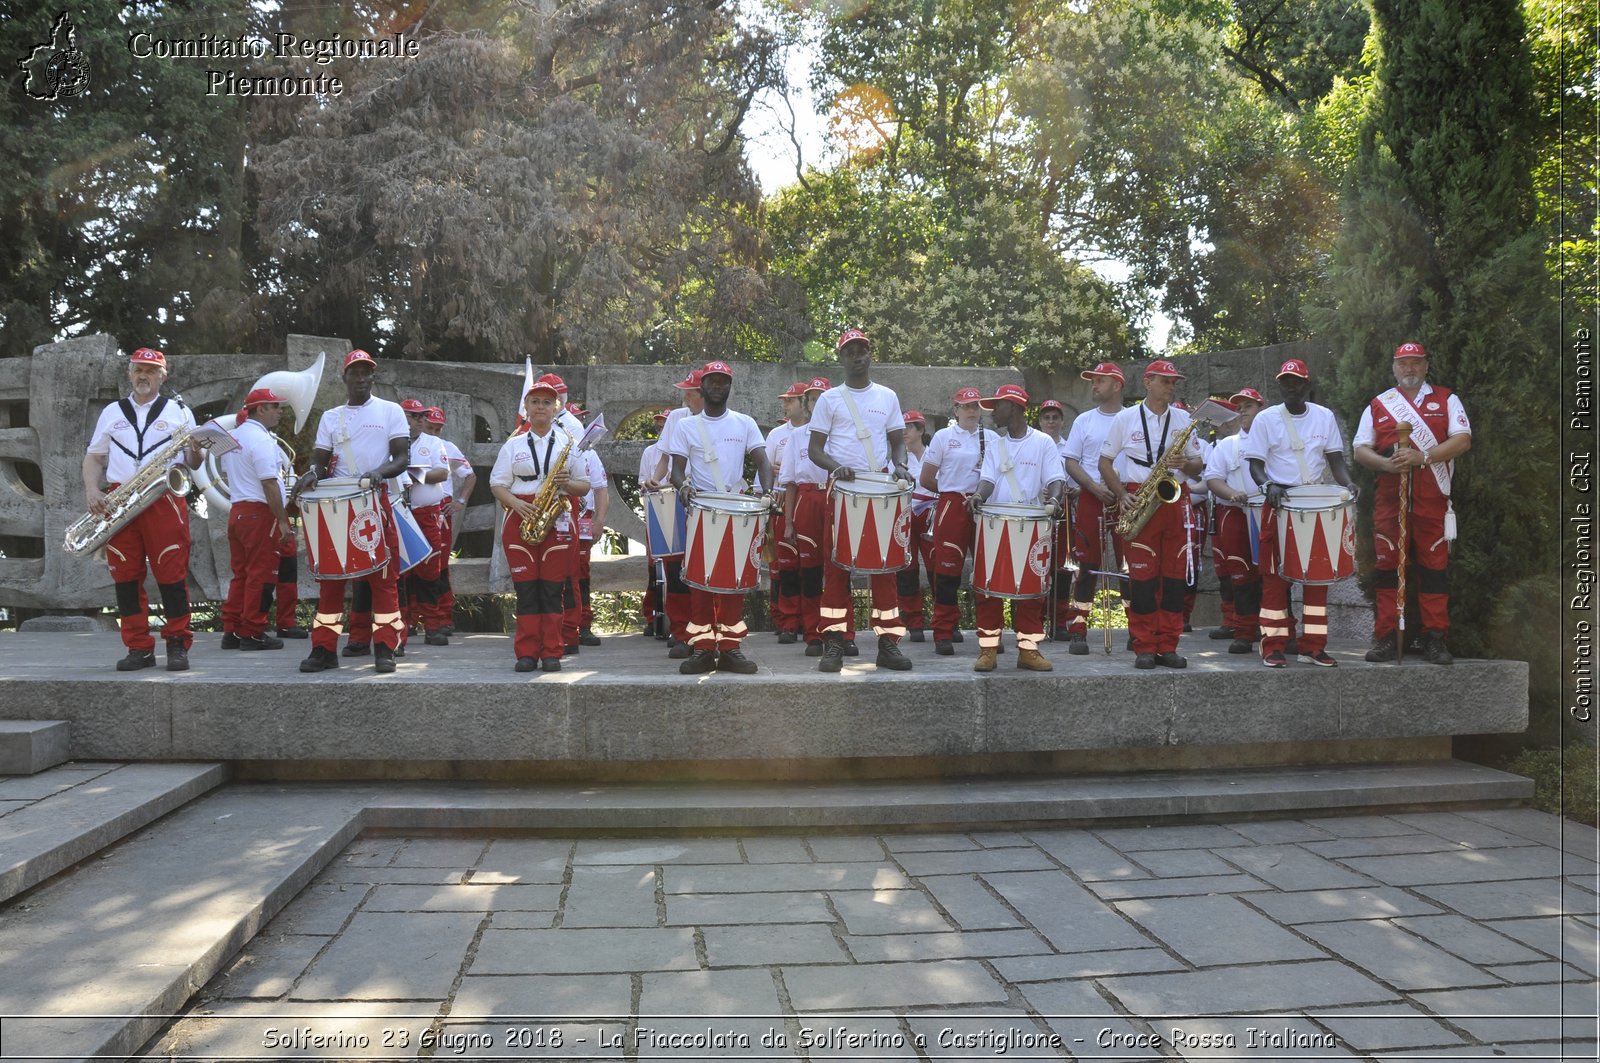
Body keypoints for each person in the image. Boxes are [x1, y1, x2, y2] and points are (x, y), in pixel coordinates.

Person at [81, 346, 202, 672]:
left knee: (172, 574)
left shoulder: (180, 411)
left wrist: (197, 452)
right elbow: (94, 457)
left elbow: (192, 462)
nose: (143, 376)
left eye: (150, 371)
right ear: (129, 373)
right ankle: (138, 647)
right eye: (138, 370)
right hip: (120, 500)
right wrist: (93, 489)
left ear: (163, 375)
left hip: (163, 496)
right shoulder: (112, 412)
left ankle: (178, 643)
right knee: (124, 576)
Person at [292, 349, 411, 674]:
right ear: (344, 377)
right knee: (330, 580)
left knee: (382, 578)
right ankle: (323, 648)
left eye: (366, 372)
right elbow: (320, 460)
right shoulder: (331, 417)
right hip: (335, 504)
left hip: (373, 500)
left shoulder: (390, 411)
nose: (360, 378)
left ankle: (385, 646)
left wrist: (380, 473)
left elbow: (402, 458)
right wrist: (312, 474)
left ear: (373, 377)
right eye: (354, 373)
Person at [1352, 341, 1471, 665]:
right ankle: (1387, 636)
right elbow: (1360, 448)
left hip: (1433, 500)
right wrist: (1385, 464)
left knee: (1434, 571)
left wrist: (1425, 456)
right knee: (1388, 570)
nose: (1409, 368)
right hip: (1391, 500)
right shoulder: (1379, 404)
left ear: (1426, 365)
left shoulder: (1446, 399)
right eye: (1403, 363)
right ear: (1394, 367)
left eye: (1415, 362)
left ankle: (1435, 638)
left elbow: (1462, 439)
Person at [807, 328, 914, 672]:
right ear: (841, 357)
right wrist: (837, 467)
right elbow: (814, 450)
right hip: (841, 490)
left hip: (880, 487)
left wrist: (900, 465)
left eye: (862, 350)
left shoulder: (887, 396)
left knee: (885, 566)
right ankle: (835, 640)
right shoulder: (829, 399)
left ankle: (888, 643)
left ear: (871, 355)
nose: (857, 356)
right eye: (850, 351)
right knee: (836, 566)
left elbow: (898, 440)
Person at [1243, 359, 1358, 668]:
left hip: (1316, 500)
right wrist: (1268, 485)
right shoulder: (1266, 419)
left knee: (1317, 580)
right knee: (1274, 580)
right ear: (1279, 386)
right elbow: (1254, 464)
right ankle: (1273, 646)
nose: (1291, 387)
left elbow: (1335, 459)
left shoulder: (1324, 417)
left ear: (1307, 385)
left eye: (1296, 382)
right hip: (1280, 501)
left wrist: (1348, 484)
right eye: (1285, 382)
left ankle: (1313, 646)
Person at [668, 360, 773, 674]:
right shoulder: (686, 426)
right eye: (711, 381)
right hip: (702, 507)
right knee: (700, 581)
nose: (717, 385)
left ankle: (730, 648)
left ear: (730, 386)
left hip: (737, 507)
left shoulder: (743, 423)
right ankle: (702, 648)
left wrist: (766, 492)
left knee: (735, 580)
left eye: (722, 381)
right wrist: (683, 486)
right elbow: (675, 469)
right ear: (702, 386)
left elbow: (763, 462)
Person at [1098, 360, 1203, 669]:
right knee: (1142, 578)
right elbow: (1104, 462)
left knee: (1173, 579)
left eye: (1174, 382)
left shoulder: (1183, 418)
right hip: (1138, 495)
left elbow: (1199, 468)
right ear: (1148, 382)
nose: (1171, 386)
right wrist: (1121, 494)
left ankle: (1168, 645)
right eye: (1165, 381)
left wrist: (1185, 463)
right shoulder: (1125, 418)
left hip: (1174, 497)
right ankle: (1144, 645)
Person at [489, 377, 589, 672]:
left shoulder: (569, 443)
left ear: (557, 406)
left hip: (556, 515)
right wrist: (516, 504)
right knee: (527, 590)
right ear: (526, 407)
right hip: (521, 513)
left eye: (547, 402)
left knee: (552, 589)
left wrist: (567, 483)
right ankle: (527, 653)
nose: (541, 407)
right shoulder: (514, 445)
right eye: (536, 402)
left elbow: (584, 485)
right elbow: (497, 483)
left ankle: (551, 652)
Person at [967, 384, 1067, 672]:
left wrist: (1057, 499)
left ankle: (1028, 650)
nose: (992, 412)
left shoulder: (1043, 443)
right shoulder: (996, 445)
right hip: (995, 521)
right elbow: (988, 480)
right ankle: (988, 649)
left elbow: (1055, 479)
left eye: (997, 406)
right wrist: (977, 496)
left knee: (1033, 589)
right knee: (988, 586)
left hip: (1033, 521)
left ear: (1014, 407)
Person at [919, 387, 993, 656]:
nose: (971, 411)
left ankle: (990, 633)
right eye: (966, 406)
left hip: (984, 505)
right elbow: (926, 478)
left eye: (975, 406)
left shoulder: (993, 437)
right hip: (953, 504)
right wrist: (951, 490)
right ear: (956, 410)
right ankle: (943, 631)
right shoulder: (943, 436)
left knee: (987, 570)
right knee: (947, 571)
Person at [219, 388, 294, 651]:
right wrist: (283, 521)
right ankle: (252, 631)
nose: (280, 412)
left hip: (238, 510)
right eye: (275, 407)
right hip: (259, 513)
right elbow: (269, 484)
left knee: (241, 574)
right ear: (260, 409)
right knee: (261, 575)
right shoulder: (261, 440)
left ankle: (232, 629)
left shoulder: (233, 437)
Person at [1063, 363, 1128, 655]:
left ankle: (1137, 627)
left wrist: (1119, 490)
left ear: (1117, 385)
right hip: (1092, 496)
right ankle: (1078, 627)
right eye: (1093, 381)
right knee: (1086, 563)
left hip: (1127, 497)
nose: (1094, 386)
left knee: (1131, 565)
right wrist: (1093, 487)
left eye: (1100, 381)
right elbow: (1071, 462)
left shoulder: (1134, 418)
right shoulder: (1084, 421)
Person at [1203, 388, 1265, 654]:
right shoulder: (1228, 445)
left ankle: (1277, 630)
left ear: (1261, 409)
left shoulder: (1275, 441)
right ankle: (1243, 631)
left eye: (1248, 406)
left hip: (1268, 512)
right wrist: (1232, 494)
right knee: (1240, 575)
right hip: (1235, 513)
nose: (1242, 411)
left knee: (1272, 573)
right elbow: (1213, 479)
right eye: (1238, 407)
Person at [649, 368, 705, 657]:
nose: (684, 396)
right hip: (675, 498)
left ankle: (707, 631)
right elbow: (665, 457)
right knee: (676, 568)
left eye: (689, 391)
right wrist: (656, 481)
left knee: (706, 568)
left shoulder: (722, 420)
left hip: (708, 500)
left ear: (702, 393)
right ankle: (682, 631)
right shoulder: (676, 417)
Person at [779, 377, 831, 656]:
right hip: (807, 500)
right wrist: (788, 522)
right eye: (813, 398)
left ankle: (841, 632)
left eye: (823, 397)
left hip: (836, 497)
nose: (818, 402)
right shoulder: (798, 436)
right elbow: (789, 482)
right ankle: (814, 634)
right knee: (810, 572)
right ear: (808, 404)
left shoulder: (843, 434)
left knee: (838, 570)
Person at [400, 399, 453, 646]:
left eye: (422, 416)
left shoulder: (433, 442)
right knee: (402, 570)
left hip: (426, 513)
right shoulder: (391, 443)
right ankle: (404, 622)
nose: (420, 420)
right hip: (399, 513)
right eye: (413, 416)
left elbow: (442, 473)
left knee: (430, 569)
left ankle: (432, 625)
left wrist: (409, 474)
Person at [766, 383, 810, 644]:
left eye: (790, 400)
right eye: (784, 400)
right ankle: (788, 621)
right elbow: (765, 470)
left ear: (803, 403)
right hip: (783, 498)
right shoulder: (776, 435)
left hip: (811, 496)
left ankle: (811, 620)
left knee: (811, 563)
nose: (785, 405)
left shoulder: (821, 431)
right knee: (786, 565)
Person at [423, 406, 472, 634]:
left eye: (437, 428)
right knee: (412, 563)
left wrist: (460, 501)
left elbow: (470, 476)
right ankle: (412, 616)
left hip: (441, 510)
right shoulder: (410, 445)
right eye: (429, 427)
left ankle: (443, 617)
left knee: (440, 564)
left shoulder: (449, 447)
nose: (433, 432)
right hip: (413, 507)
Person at [1036, 398, 1075, 638]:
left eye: (1055, 417)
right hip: (1038, 512)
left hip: (1065, 512)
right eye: (1046, 418)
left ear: (1062, 421)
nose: (1051, 422)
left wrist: (1073, 490)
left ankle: (1059, 623)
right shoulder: (1033, 444)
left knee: (1062, 570)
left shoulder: (1070, 447)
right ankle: (1035, 622)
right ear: (1040, 421)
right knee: (1038, 566)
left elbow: (1079, 476)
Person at [897, 409, 935, 641]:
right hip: (905, 515)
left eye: (909, 427)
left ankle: (945, 621)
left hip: (931, 514)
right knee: (907, 570)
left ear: (921, 430)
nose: (904, 432)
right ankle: (914, 622)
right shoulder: (897, 459)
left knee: (938, 569)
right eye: (901, 428)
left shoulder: (935, 454)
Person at [639, 408, 672, 639]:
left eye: (665, 425)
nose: (661, 429)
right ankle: (654, 617)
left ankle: (676, 621)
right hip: (657, 510)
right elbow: (643, 482)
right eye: (659, 425)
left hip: (679, 508)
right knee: (655, 569)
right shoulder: (650, 452)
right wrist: (650, 484)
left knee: (677, 568)